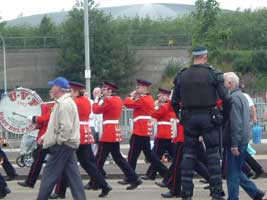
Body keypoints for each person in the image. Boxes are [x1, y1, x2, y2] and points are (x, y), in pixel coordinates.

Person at [171, 46, 230, 200]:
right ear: (205, 56)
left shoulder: (182, 75)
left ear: (194, 57)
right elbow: (226, 98)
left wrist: (180, 117)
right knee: (212, 155)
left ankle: (187, 193)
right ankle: (216, 193)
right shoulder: (213, 73)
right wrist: (224, 117)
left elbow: (174, 101)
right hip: (209, 117)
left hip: (189, 118)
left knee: (188, 155)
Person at [50, 81, 112, 199]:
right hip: (85, 133)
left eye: (71, 91)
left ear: (76, 91)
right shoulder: (85, 101)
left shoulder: (75, 102)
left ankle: (60, 191)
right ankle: (103, 185)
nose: (70, 94)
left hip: (77, 133)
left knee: (66, 162)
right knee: (87, 163)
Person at [36, 77, 86, 200]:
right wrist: (46, 136)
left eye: (53, 86)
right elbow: (56, 125)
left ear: (58, 88)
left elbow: (66, 128)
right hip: (68, 144)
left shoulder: (63, 104)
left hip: (63, 145)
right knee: (74, 177)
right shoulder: (64, 102)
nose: (51, 89)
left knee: (49, 174)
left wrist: (57, 141)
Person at [92, 81, 142, 190]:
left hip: (109, 133)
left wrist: (96, 99)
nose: (102, 91)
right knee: (118, 159)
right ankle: (134, 178)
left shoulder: (109, 100)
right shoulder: (117, 99)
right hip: (114, 131)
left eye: (104, 89)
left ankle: (94, 181)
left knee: (99, 158)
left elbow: (95, 110)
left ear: (110, 91)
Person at [223, 72, 265, 200]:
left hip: (236, 140)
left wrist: (234, 143)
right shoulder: (241, 96)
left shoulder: (233, 98)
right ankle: (255, 193)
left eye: (224, 81)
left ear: (230, 83)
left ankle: (233, 198)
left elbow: (236, 122)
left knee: (232, 174)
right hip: (243, 138)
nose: (222, 83)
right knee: (235, 170)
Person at [124, 79, 168, 181]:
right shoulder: (145, 98)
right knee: (150, 156)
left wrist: (131, 95)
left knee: (132, 155)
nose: (136, 89)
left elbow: (127, 103)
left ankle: (130, 176)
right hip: (142, 130)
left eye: (138, 87)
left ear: (144, 88)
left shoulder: (144, 99)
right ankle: (165, 173)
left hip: (140, 130)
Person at [17, 91, 54, 188]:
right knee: (38, 160)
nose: (50, 93)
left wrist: (34, 118)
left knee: (39, 161)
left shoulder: (55, 105)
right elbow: (43, 122)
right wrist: (34, 125)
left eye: (52, 91)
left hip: (48, 137)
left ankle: (30, 182)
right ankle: (30, 182)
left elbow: (47, 118)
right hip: (44, 136)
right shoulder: (47, 105)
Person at [142, 88, 175, 181]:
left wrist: (155, 106)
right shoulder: (168, 105)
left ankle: (153, 174)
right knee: (158, 155)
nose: (159, 98)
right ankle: (151, 173)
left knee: (155, 155)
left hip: (164, 134)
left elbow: (154, 114)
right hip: (167, 134)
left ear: (166, 96)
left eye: (160, 96)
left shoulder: (165, 106)